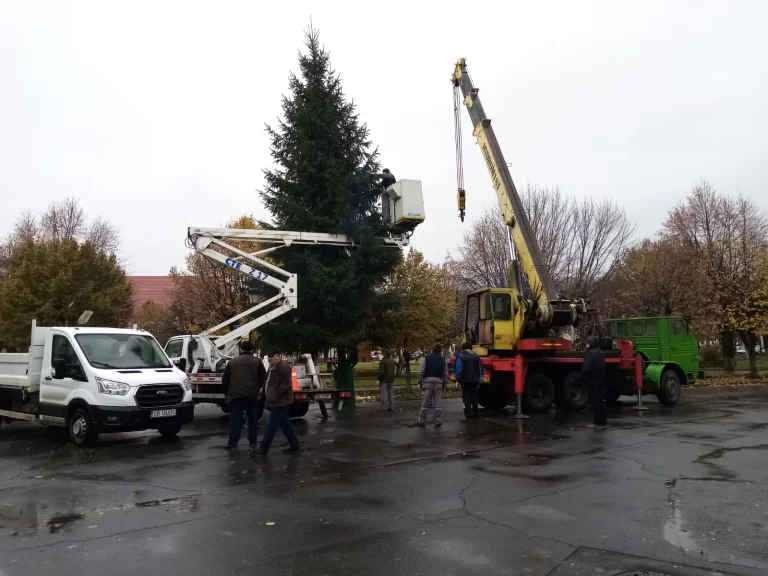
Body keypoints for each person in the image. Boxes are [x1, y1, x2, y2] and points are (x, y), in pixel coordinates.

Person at [253, 349, 301, 455]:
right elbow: (267, 382)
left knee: (271, 424)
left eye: (272, 356)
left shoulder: (283, 367)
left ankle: (263, 448)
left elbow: (286, 384)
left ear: (278, 356)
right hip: (277, 400)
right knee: (285, 424)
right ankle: (295, 446)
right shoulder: (272, 367)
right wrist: (264, 396)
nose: (269, 359)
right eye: (268, 356)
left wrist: (275, 396)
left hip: (280, 401)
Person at [221, 341, 266, 451]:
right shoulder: (257, 362)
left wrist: (227, 393)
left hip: (235, 396)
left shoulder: (232, 362)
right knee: (252, 421)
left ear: (241, 349)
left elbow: (225, 380)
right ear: (252, 350)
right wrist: (257, 389)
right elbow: (263, 378)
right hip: (252, 396)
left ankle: (233, 443)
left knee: (235, 421)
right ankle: (252, 443)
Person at [418, 345, 449, 427]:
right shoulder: (443, 359)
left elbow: (421, 371)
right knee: (437, 402)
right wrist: (444, 385)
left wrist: (419, 382)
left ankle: (422, 421)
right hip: (438, 382)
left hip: (427, 382)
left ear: (432, 350)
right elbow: (446, 374)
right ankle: (437, 421)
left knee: (425, 402)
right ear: (440, 351)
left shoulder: (426, 358)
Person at [582, 334, 607, 428]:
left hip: (592, 380)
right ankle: (603, 421)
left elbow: (586, 369)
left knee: (594, 402)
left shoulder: (589, 354)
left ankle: (597, 423)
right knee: (600, 401)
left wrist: (583, 378)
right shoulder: (601, 353)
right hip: (600, 379)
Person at [455, 342, 483, 422]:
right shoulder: (476, 356)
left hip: (465, 380)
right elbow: (480, 369)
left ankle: (468, 415)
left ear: (463, 349)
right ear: (471, 348)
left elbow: (459, 370)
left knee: (466, 397)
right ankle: (476, 414)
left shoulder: (461, 357)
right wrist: (480, 379)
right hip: (475, 380)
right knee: (474, 396)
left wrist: (457, 379)